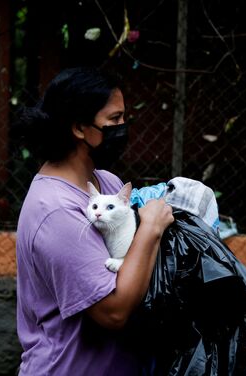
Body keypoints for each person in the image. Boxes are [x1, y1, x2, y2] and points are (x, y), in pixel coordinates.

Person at [15, 67, 174, 375]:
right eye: (114, 120)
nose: (123, 128)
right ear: (78, 128)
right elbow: (113, 311)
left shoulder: (107, 183)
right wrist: (152, 228)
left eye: (124, 118)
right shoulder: (55, 210)